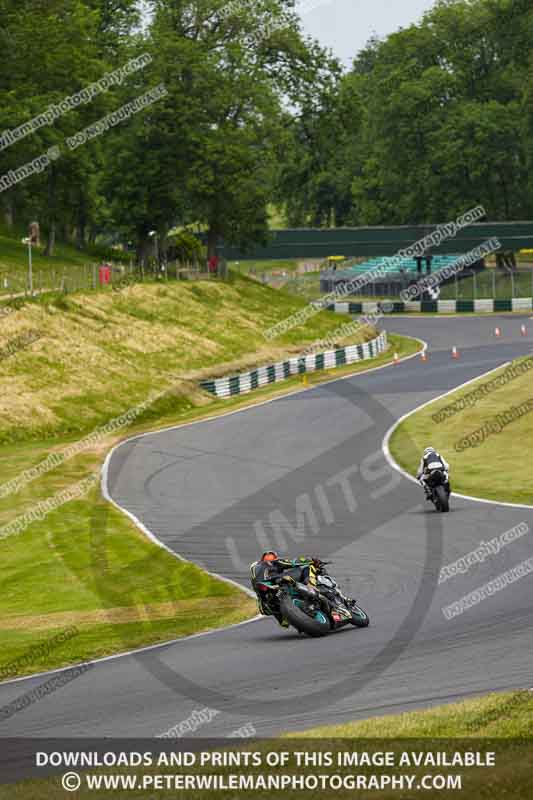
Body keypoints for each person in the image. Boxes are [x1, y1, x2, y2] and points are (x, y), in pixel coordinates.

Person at [250, 551, 354, 627]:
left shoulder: (257, 577)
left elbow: (273, 616)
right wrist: (312, 560)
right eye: (270, 557)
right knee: (308, 568)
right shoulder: (273, 563)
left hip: (269, 601)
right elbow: (293, 562)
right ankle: (311, 586)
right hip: (278, 586)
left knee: (283, 621)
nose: (271, 558)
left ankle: (306, 606)